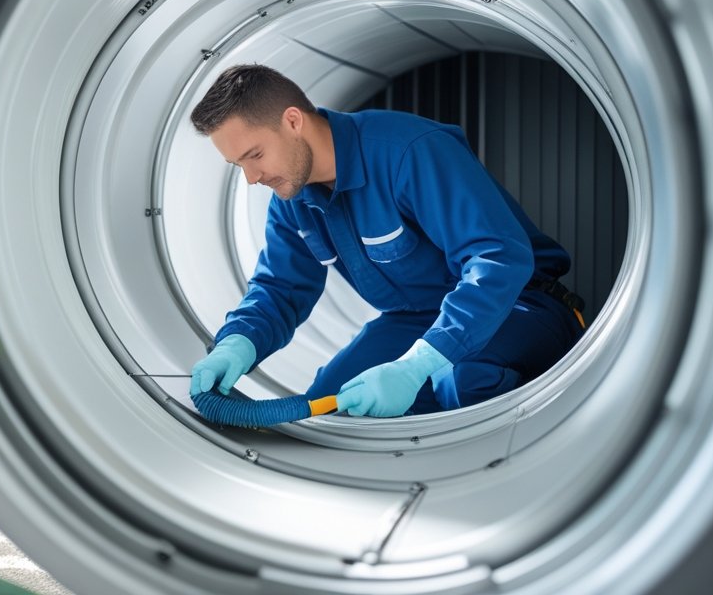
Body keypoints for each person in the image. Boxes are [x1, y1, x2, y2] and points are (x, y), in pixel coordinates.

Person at [187, 63, 585, 417]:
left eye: (255, 154)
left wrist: (418, 364)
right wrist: (236, 343)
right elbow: (280, 289)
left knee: (461, 378)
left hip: (519, 305)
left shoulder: (408, 151)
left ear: (292, 121)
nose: (252, 178)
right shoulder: (292, 198)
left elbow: (496, 259)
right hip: (413, 321)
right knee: (331, 407)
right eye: (238, 165)